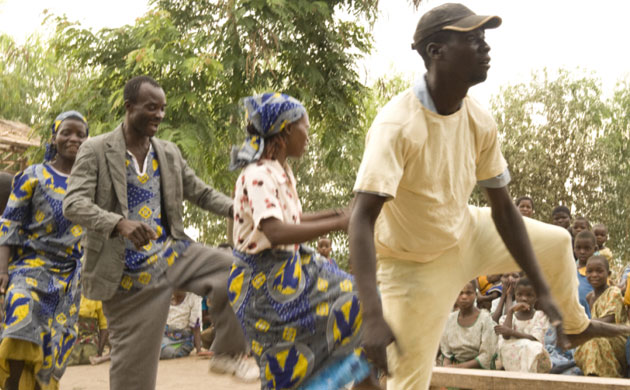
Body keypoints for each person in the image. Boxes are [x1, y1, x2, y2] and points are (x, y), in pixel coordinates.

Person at [348, 4, 630, 389]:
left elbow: (504, 211)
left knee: (558, 240)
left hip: (466, 229)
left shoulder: (479, 119)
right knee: (409, 382)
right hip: (413, 265)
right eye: (472, 40)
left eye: (484, 39)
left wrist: (544, 291)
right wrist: (372, 314)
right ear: (436, 51)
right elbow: (361, 218)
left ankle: (576, 327)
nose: (486, 48)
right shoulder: (396, 125)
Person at [62, 76, 255, 390]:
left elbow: (202, 194)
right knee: (134, 380)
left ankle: (228, 353)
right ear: (129, 107)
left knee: (235, 268)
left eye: (163, 109)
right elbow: (73, 203)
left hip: (173, 254)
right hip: (126, 279)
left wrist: (242, 209)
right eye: (151, 108)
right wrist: (118, 223)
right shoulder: (96, 150)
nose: (159, 115)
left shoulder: (168, 153)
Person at [228, 93, 375, 389]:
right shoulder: (257, 175)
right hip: (265, 284)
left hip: (287, 274)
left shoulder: (280, 173)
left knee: (361, 304)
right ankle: (360, 378)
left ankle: (363, 377)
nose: (308, 136)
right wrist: (337, 223)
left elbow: (291, 219)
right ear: (284, 132)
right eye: (304, 128)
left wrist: (336, 212)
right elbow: (276, 232)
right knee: (290, 364)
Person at [0, 111, 88, 389]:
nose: (73, 138)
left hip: (69, 279)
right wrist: (2, 270)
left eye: (80, 135)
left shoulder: (91, 185)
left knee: (52, 350)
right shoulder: (31, 176)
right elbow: (9, 224)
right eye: (66, 132)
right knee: (21, 327)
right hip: (30, 268)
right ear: (55, 137)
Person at [575, 255, 627, 377]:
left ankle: (605, 377)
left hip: (616, 336)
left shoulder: (614, 292)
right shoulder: (589, 297)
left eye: (599, 271)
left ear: (608, 274)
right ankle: (592, 375)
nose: (594, 275)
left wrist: (583, 324)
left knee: (594, 339)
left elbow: (609, 320)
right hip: (600, 335)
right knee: (590, 339)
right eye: (590, 271)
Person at [494, 278, 551, 373]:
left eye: (529, 295)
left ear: (536, 297)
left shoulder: (540, 316)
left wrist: (512, 332)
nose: (524, 298)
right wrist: (511, 311)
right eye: (519, 294)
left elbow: (535, 339)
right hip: (512, 358)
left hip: (533, 360)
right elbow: (506, 336)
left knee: (533, 347)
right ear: (515, 296)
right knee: (504, 345)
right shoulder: (506, 317)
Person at [439, 281, 498, 369]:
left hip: (478, 369)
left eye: (468, 293)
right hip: (453, 367)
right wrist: (447, 367)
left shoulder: (485, 319)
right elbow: (446, 351)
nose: (464, 297)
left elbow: (486, 355)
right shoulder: (450, 319)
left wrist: (458, 368)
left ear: (476, 294)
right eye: (460, 293)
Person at [67, 295, 109, 366]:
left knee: (88, 355)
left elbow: (104, 327)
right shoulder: (66, 294)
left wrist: (99, 352)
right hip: (70, 340)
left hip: (89, 341)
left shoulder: (96, 298)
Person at [160, 290, 203, 359]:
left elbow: (196, 325)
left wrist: (199, 350)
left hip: (183, 339)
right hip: (165, 335)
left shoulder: (194, 298)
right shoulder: (166, 296)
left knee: (167, 352)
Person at [575, 230, 598, 318]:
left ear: (595, 249)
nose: (582, 252)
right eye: (578, 248)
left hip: (590, 318)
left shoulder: (597, 272)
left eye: (587, 248)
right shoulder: (571, 268)